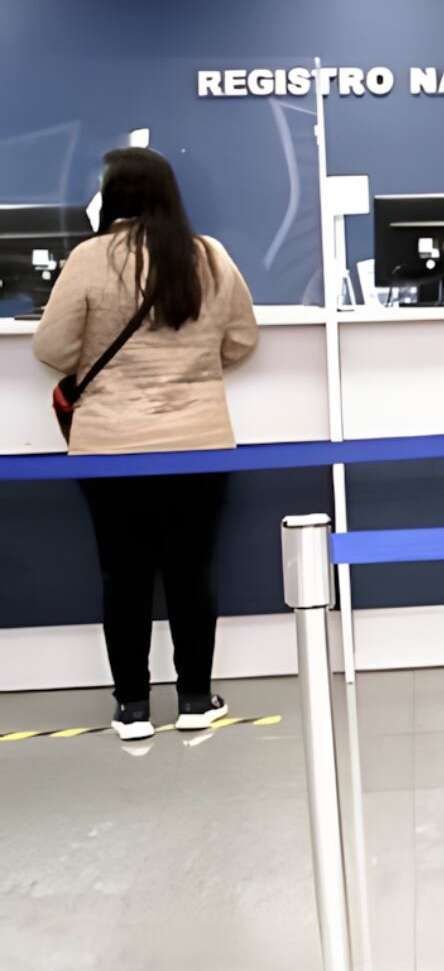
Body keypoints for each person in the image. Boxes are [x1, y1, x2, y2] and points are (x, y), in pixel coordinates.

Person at [33, 148, 258, 743]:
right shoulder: (208, 256)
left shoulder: (88, 258)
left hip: (110, 443)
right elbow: (240, 341)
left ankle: (131, 706)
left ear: (113, 196)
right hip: (199, 439)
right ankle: (194, 698)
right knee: (192, 571)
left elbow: (52, 350)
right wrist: (189, 370)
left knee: (123, 576)